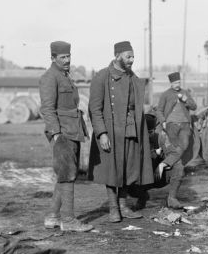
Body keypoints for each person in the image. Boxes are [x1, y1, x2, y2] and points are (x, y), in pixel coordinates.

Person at [88, 41, 153, 222]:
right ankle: (113, 208)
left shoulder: (133, 78)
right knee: (111, 169)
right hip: (110, 131)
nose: (132, 60)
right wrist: (101, 133)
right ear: (117, 56)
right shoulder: (102, 76)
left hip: (131, 128)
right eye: (128, 56)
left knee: (128, 168)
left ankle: (123, 206)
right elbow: (94, 108)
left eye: (133, 57)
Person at [39, 41, 93, 232]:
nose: (67, 60)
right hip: (62, 132)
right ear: (53, 58)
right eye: (62, 57)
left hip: (72, 129)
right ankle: (68, 221)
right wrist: (56, 134)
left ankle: (53, 216)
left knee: (66, 172)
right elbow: (47, 108)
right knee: (67, 174)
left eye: (68, 56)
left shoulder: (64, 76)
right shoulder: (49, 77)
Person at [155, 72, 197, 208]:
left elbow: (194, 106)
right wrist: (163, 122)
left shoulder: (185, 92)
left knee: (184, 144)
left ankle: (165, 163)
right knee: (174, 146)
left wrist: (186, 99)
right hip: (171, 125)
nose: (177, 85)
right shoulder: (166, 94)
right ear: (171, 83)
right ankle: (171, 197)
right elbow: (159, 110)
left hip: (185, 125)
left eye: (178, 82)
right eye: (174, 83)